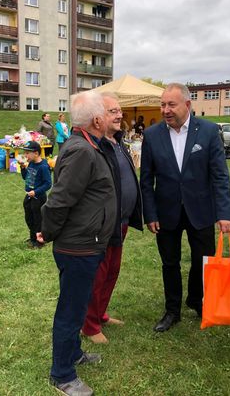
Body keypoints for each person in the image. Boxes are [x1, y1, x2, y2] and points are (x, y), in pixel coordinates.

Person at [38, 91, 117, 396]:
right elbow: (59, 200)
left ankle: (72, 354)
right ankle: (62, 374)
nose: (110, 117)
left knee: (78, 304)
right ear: (97, 120)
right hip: (78, 246)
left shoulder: (87, 145)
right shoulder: (82, 150)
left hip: (86, 243)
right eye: (106, 113)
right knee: (71, 311)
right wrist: (47, 232)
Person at [140, 83, 230, 332]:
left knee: (202, 260)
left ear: (188, 105)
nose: (165, 110)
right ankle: (172, 310)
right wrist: (150, 213)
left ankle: (196, 299)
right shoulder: (152, 135)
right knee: (169, 263)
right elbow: (146, 180)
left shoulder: (208, 131)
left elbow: (220, 175)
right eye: (162, 105)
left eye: (171, 104)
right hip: (166, 212)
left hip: (201, 210)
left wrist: (224, 213)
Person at [81, 93, 143, 344]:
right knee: (99, 274)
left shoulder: (118, 141)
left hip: (122, 221)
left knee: (112, 272)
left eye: (119, 110)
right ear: (97, 117)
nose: (120, 115)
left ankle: (100, 314)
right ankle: (89, 325)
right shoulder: (95, 146)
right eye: (113, 111)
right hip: (103, 224)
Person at [19, 141, 52, 249]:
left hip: (38, 197)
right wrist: (23, 168)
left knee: (38, 219)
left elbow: (48, 184)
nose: (25, 155)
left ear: (36, 153)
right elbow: (26, 177)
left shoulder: (43, 167)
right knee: (29, 217)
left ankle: (40, 241)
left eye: (27, 153)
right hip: (29, 196)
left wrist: (36, 191)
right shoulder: (31, 163)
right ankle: (33, 237)